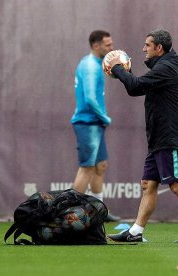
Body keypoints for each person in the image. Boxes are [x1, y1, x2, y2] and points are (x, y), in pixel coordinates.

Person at [106, 29, 178, 243]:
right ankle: (135, 232)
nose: (143, 49)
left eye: (147, 45)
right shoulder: (162, 68)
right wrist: (123, 72)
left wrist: (117, 67)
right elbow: (135, 88)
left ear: (159, 48)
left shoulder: (165, 68)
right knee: (148, 184)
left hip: (168, 138)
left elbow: (134, 85)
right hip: (158, 139)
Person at [71, 30, 120, 222]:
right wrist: (105, 117)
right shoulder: (90, 66)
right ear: (96, 45)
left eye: (111, 43)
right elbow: (90, 98)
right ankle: (70, 213)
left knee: (100, 166)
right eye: (108, 45)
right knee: (87, 169)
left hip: (94, 123)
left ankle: (100, 211)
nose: (111, 48)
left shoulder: (93, 63)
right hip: (87, 122)